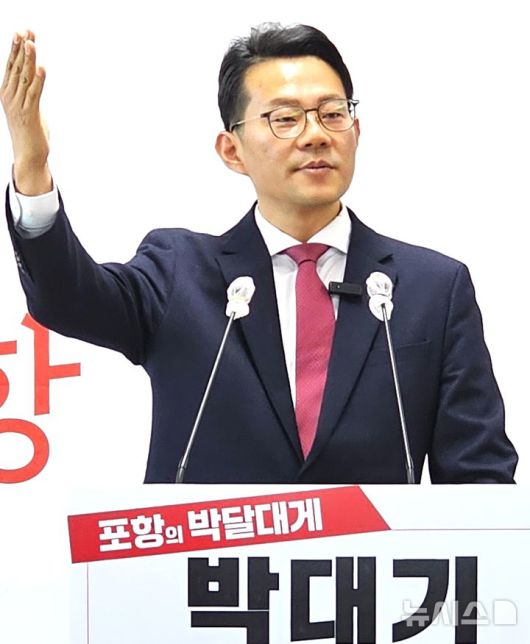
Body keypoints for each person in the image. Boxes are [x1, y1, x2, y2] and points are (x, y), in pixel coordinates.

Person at [1, 24, 517, 483]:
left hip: (369, 564)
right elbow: (66, 300)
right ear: (232, 151)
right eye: (285, 119)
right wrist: (32, 171)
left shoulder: (432, 289)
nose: (316, 136)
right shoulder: (179, 272)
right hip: (212, 563)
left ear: (356, 132)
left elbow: (480, 476)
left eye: (333, 115)